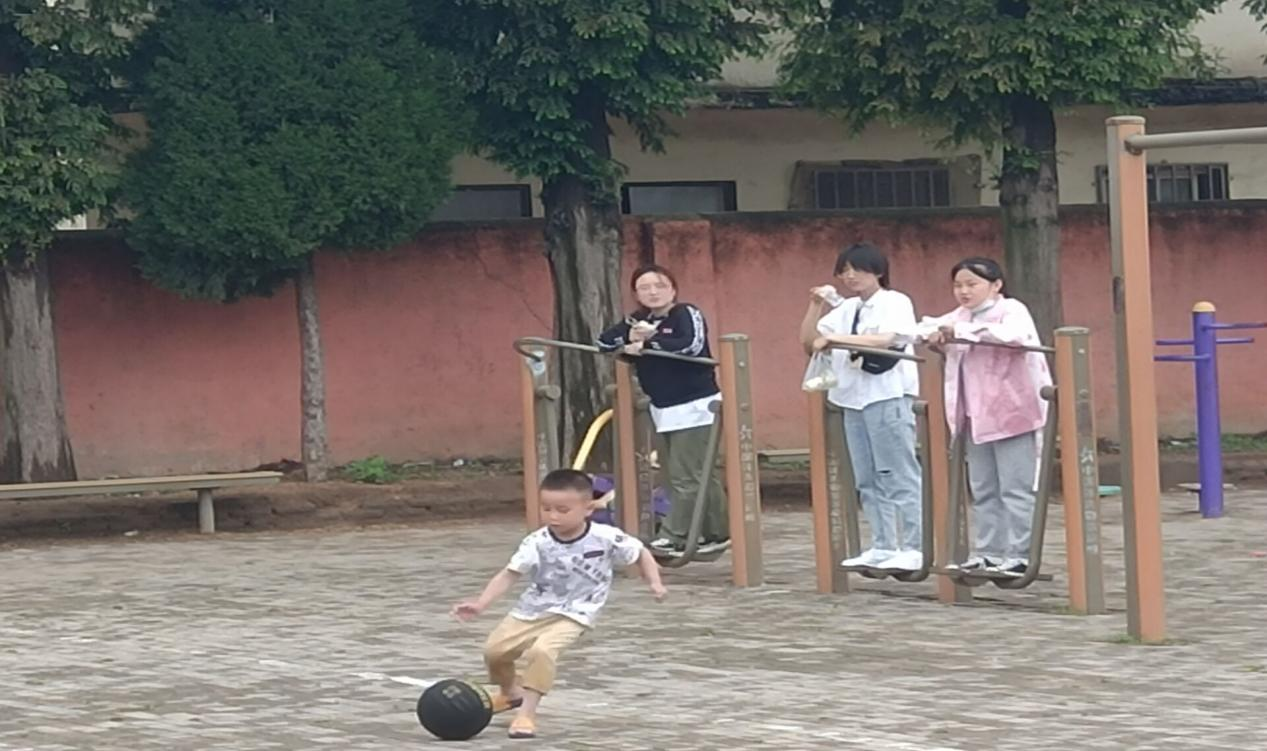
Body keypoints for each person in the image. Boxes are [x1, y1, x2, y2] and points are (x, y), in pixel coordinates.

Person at [451, 469, 666, 739]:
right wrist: (481, 604)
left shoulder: (605, 537)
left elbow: (640, 552)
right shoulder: (537, 541)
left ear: (588, 509)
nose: (553, 516)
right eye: (546, 509)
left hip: (577, 612)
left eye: (562, 510)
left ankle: (527, 714)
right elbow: (509, 574)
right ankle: (510, 693)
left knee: (542, 651)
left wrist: (655, 582)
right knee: (494, 651)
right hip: (533, 608)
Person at [917, 257, 1051, 576]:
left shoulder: (1011, 310)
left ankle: (1020, 554)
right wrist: (934, 335)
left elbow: (1016, 337)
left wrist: (961, 331)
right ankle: (990, 552)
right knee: (984, 488)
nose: (964, 291)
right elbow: (925, 327)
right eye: (958, 285)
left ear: (996, 285)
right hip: (973, 415)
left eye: (972, 284)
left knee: (1015, 489)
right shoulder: (960, 315)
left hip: (1012, 412)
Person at [799, 242, 923, 571]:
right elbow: (810, 342)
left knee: (897, 472)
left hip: (887, 394)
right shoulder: (848, 308)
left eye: (858, 269)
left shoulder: (895, 301)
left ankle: (916, 545)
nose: (850, 276)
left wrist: (837, 340)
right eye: (844, 270)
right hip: (852, 397)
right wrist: (815, 306)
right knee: (866, 477)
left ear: (878, 271)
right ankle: (883, 545)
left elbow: (888, 338)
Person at [596, 264, 730, 556]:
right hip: (663, 406)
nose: (653, 292)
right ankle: (714, 532)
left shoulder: (685, 313)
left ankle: (676, 535)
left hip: (695, 404)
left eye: (660, 286)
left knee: (688, 475)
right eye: (644, 288)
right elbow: (603, 342)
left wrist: (648, 342)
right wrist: (629, 339)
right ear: (636, 294)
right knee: (682, 474)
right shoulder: (638, 319)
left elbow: (690, 346)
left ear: (673, 289)